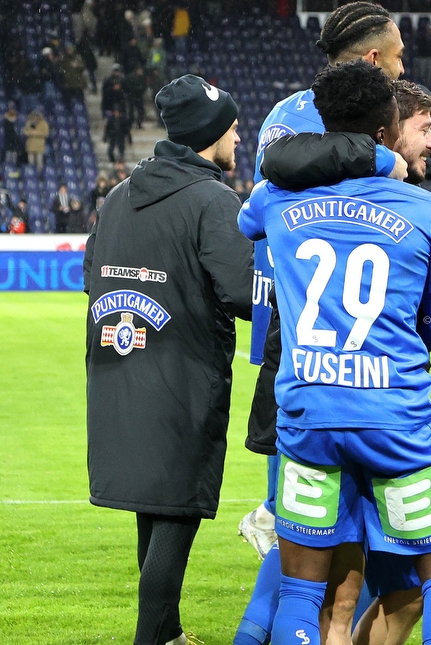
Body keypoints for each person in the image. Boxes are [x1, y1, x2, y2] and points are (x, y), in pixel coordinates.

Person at [232, 78, 431, 645]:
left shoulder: (275, 198)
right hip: (395, 422)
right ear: (385, 131)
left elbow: (248, 220)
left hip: (308, 415)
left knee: (302, 590)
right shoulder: (424, 210)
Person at [84, 74, 253, 645]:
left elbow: (92, 279)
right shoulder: (212, 200)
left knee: (151, 509)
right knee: (175, 512)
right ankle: (151, 639)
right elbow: (244, 292)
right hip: (182, 383)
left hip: (119, 377)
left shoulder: (117, 197)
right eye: (232, 127)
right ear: (209, 133)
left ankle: (171, 632)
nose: (238, 136)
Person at [238, 3, 409, 558]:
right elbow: (277, 174)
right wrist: (381, 158)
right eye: (400, 57)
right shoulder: (294, 116)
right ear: (376, 57)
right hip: (303, 298)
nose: (404, 71)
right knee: (293, 432)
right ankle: (275, 521)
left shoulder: (368, 111)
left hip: (348, 295)